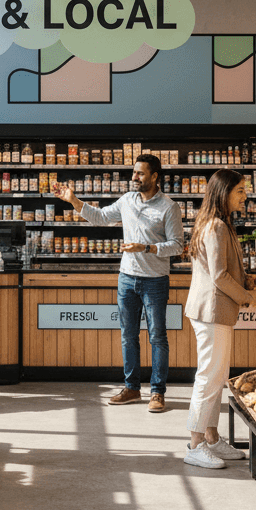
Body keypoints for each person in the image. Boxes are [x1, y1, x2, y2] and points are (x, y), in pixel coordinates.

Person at [53, 154, 184, 412]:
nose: (134, 177)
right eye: (134, 172)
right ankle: (132, 388)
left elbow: (177, 245)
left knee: (157, 337)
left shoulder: (169, 207)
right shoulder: (127, 200)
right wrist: (73, 201)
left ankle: (157, 392)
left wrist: (145, 247)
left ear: (155, 176)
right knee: (128, 336)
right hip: (126, 279)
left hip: (155, 281)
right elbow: (101, 217)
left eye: (140, 173)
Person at [183, 169, 256, 469]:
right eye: (239, 190)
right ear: (223, 193)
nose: (244, 195)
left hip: (214, 310)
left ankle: (212, 438)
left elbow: (222, 270)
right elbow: (218, 276)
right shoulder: (215, 226)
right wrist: (246, 296)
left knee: (215, 376)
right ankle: (195, 443)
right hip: (212, 310)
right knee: (209, 377)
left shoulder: (216, 224)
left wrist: (245, 281)